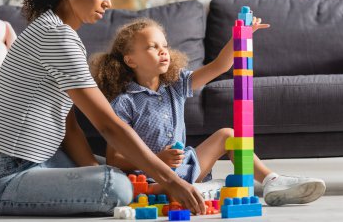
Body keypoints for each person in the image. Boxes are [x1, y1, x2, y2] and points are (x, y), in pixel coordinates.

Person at [0, 0, 206, 216]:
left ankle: (132, 185)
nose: (108, 2)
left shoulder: (52, 29)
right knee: (116, 185)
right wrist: (171, 180)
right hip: (5, 176)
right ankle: (148, 190)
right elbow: (108, 124)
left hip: (40, 159)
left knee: (115, 172)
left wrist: (94, 173)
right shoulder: (57, 37)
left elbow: (69, 125)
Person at [92, 18, 326, 206]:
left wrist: (240, 36)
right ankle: (195, 191)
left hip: (188, 166)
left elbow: (219, 66)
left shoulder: (175, 85)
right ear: (130, 60)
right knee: (148, 191)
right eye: (153, 47)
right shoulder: (124, 103)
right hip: (154, 178)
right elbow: (115, 159)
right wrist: (157, 160)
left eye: (164, 45)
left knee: (228, 134)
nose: (163, 51)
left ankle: (271, 180)